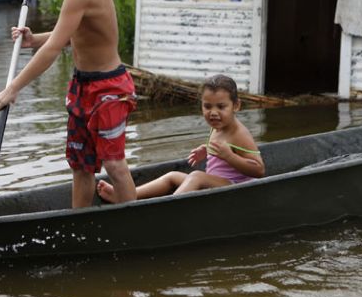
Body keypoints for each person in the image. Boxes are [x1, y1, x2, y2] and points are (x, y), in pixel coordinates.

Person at [0, 0, 138, 208]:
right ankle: (79, 222)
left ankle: (132, 221)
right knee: (80, 164)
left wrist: (14, 87)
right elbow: (73, 35)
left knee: (113, 165)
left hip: (108, 88)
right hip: (83, 87)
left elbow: (52, 51)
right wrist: (34, 40)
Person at [97, 74, 264, 203]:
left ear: (236, 106)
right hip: (217, 182)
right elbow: (224, 149)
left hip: (235, 187)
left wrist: (229, 156)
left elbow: (259, 170)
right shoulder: (218, 124)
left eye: (221, 106)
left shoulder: (239, 133)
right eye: (207, 106)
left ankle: (167, 208)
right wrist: (207, 150)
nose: (213, 112)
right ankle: (128, 197)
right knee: (172, 176)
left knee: (196, 176)